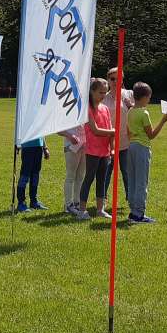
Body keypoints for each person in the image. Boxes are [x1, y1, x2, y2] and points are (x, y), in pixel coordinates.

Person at [125, 82, 167, 224]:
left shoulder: (130, 111)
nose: (149, 100)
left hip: (131, 146)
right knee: (141, 182)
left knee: (132, 181)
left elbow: (128, 132)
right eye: (149, 97)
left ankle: (133, 210)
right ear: (145, 97)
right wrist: (163, 120)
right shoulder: (143, 113)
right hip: (141, 148)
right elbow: (151, 134)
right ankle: (138, 214)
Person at [76, 78, 115, 221]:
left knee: (102, 180)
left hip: (105, 151)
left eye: (105, 92)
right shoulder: (87, 108)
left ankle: (100, 209)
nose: (103, 95)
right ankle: (82, 210)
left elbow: (111, 129)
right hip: (92, 150)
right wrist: (112, 132)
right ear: (92, 91)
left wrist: (112, 147)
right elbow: (95, 130)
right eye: (100, 92)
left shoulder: (105, 108)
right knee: (89, 178)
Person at [103, 67, 134, 204]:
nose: (116, 81)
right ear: (108, 80)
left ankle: (131, 198)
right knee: (106, 172)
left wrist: (131, 105)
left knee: (127, 172)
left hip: (126, 140)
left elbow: (141, 112)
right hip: (108, 142)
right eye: (113, 78)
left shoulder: (129, 94)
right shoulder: (103, 96)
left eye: (119, 78)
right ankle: (102, 199)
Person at [15, 137, 50, 212]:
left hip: (39, 147)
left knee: (35, 176)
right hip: (27, 147)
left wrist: (45, 147)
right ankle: (21, 203)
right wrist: (17, 144)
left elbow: (41, 132)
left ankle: (34, 202)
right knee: (25, 176)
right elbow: (19, 130)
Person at [57, 126, 85, 215]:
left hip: (84, 145)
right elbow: (58, 129)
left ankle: (77, 203)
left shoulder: (85, 112)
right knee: (70, 176)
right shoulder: (66, 112)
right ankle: (68, 204)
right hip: (71, 146)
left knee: (80, 176)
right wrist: (70, 136)